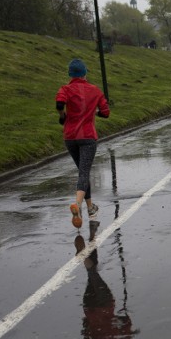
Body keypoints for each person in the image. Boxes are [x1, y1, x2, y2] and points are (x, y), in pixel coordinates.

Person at [56, 58, 110, 228]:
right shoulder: (94, 90)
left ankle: (90, 208)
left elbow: (59, 103)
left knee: (82, 173)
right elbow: (106, 112)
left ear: (70, 74)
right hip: (87, 137)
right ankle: (77, 206)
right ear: (85, 73)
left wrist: (62, 115)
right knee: (84, 173)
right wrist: (94, 113)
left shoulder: (65, 89)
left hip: (70, 137)